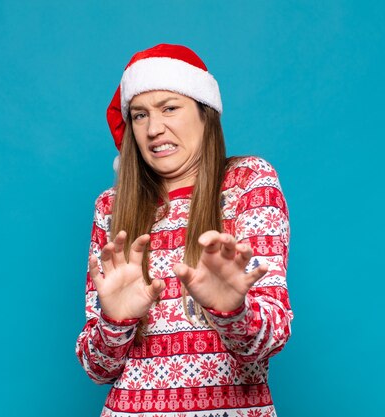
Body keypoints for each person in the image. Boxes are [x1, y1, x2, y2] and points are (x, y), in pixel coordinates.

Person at [76, 44, 293, 417]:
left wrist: (232, 311)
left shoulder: (249, 182)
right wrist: (114, 321)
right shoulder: (110, 208)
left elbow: (269, 338)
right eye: (139, 115)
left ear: (205, 113)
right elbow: (98, 370)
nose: (153, 128)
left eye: (169, 108)